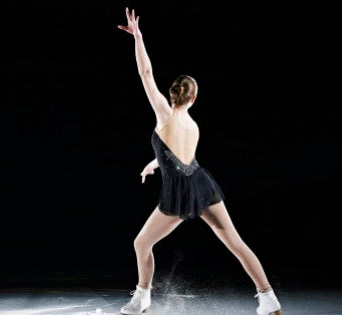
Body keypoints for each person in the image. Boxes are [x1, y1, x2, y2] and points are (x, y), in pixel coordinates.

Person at [116, 7, 283, 315]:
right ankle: (269, 298)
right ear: (193, 99)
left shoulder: (165, 114)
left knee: (142, 244)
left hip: (180, 192)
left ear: (172, 95)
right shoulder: (192, 125)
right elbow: (178, 155)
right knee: (236, 243)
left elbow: (145, 74)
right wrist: (155, 163)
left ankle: (143, 297)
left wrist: (138, 37)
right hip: (204, 185)